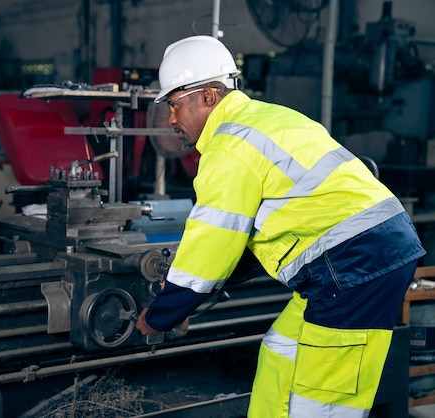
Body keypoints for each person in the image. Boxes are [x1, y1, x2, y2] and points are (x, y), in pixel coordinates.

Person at [135, 35, 426, 418]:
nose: (171, 119)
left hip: (354, 265)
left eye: (174, 105)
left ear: (207, 96)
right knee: (280, 349)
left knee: (321, 401)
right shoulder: (269, 118)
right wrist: (190, 296)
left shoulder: (228, 147)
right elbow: (250, 244)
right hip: (355, 256)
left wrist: (160, 315)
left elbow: (208, 252)